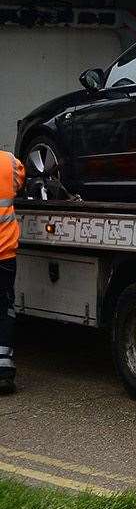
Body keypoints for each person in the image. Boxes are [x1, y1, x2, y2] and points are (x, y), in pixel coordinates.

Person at [0, 149, 21, 394]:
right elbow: (20, 182)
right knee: (4, 309)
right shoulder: (8, 162)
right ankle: (3, 372)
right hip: (4, 254)